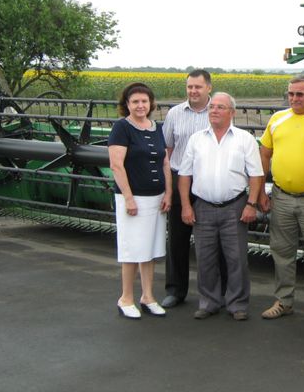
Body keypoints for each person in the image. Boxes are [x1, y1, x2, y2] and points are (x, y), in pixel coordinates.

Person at [177, 93, 264, 320]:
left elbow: (256, 175)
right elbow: (184, 174)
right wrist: (186, 206)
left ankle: (237, 304)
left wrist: (251, 204)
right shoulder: (196, 139)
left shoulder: (245, 139)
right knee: (205, 258)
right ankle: (209, 302)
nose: (214, 110)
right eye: (212, 107)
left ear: (232, 112)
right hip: (202, 206)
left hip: (234, 206)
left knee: (236, 259)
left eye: (220, 107)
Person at [259, 74, 304, 323]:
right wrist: (261, 191)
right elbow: (265, 154)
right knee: (281, 251)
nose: (294, 98)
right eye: (290, 94)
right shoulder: (277, 119)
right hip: (281, 196)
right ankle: (284, 301)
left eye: (299, 94)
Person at [108, 82, 172, 319]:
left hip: (156, 199)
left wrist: (169, 193)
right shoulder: (122, 128)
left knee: (151, 249)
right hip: (133, 199)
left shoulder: (157, 127)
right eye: (135, 101)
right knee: (133, 250)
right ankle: (126, 297)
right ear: (127, 105)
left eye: (144, 101)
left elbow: (164, 162)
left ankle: (148, 296)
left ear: (151, 103)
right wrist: (128, 198)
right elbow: (116, 165)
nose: (140, 105)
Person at [161, 69, 221, 309]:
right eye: (189, 87)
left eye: (198, 87)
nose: (193, 91)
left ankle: (218, 292)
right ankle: (175, 290)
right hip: (179, 179)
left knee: (214, 241)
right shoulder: (175, 114)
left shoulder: (218, 112)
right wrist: (168, 188)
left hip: (208, 181)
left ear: (208, 87)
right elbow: (167, 151)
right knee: (177, 239)